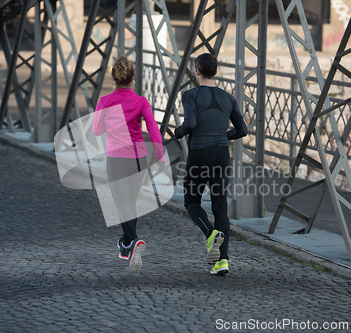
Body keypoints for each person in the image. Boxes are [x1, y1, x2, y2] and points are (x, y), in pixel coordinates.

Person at [174, 53, 247, 275]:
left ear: (196, 70)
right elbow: (242, 130)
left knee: (192, 201)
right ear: (216, 71)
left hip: (199, 153)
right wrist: (223, 136)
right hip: (221, 154)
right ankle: (222, 261)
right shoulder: (228, 98)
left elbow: (191, 123)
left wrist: (178, 132)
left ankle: (210, 235)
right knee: (220, 208)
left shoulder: (190, 95)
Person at [92, 55, 164, 273]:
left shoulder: (105, 101)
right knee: (129, 203)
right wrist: (159, 154)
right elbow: (152, 128)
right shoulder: (141, 101)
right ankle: (125, 245)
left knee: (121, 204)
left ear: (114, 79)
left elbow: (96, 130)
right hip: (137, 158)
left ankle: (133, 241)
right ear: (133, 78)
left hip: (116, 158)